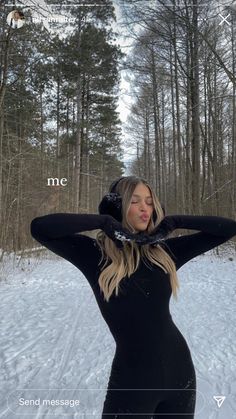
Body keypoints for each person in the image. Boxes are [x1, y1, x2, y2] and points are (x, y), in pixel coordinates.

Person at [30, 176, 236, 418]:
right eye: (135, 201)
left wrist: (173, 222)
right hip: (132, 380)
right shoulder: (94, 254)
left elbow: (229, 228)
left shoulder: (164, 252)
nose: (144, 208)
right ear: (118, 206)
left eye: (149, 202)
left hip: (180, 374)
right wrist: (105, 221)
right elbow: (40, 228)